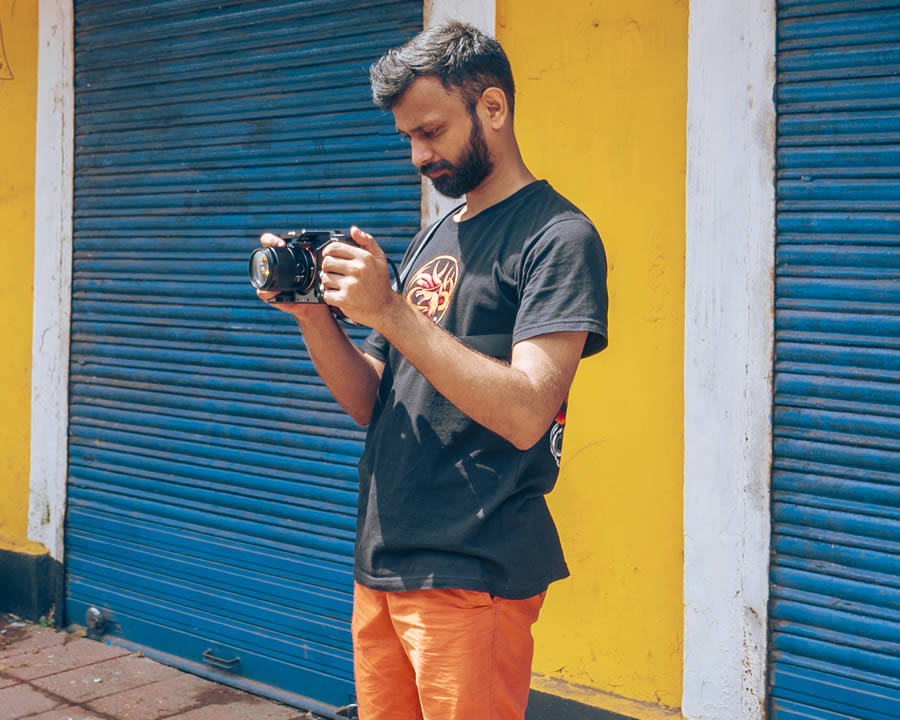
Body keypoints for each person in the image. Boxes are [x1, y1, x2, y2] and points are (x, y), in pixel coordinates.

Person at [257, 21, 608, 720]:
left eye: (432, 131)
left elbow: (527, 411)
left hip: (471, 569)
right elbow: (370, 401)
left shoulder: (558, 238)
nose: (420, 154)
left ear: (494, 108)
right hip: (384, 560)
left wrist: (388, 310)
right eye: (409, 139)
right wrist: (312, 314)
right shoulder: (435, 235)